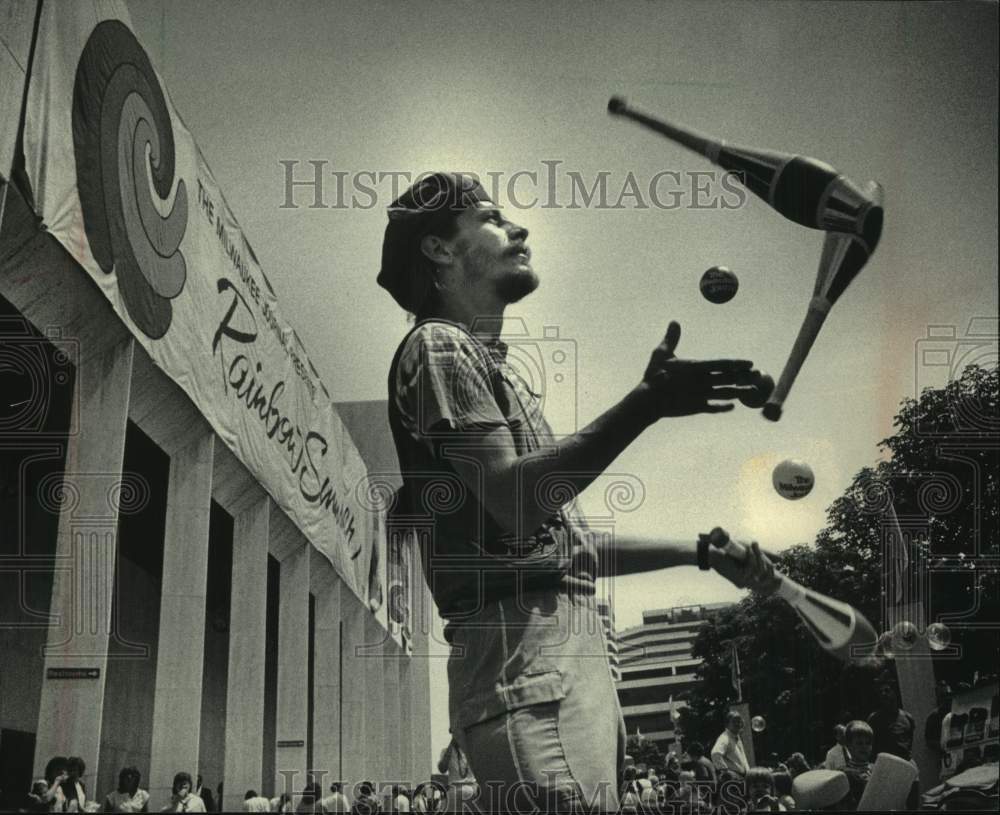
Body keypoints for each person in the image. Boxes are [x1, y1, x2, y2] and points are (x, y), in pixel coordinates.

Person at [379, 173, 777, 814]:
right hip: (523, 657)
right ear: (439, 250)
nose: (519, 229)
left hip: (558, 658)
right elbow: (514, 499)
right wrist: (644, 406)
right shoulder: (439, 346)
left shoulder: (485, 366)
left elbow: (569, 546)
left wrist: (702, 551)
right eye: (491, 217)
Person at [867, 676, 915, 761]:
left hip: (905, 764)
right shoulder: (874, 719)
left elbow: (909, 743)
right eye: (880, 692)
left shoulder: (908, 718)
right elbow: (871, 747)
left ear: (894, 692)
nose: (884, 694)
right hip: (886, 765)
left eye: (887, 690)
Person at [924, 680, 953, 782]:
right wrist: (944, 745)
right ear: (938, 697)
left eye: (948, 694)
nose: (947, 698)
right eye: (943, 695)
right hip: (945, 758)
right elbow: (929, 741)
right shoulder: (934, 717)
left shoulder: (958, 710)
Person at [841, 719, 874, 805]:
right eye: (859, 743)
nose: (864, 747)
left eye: (868, 743)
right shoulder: (844, 774)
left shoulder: (876, 769)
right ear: (849, 746)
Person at [711, 711, 751, 779]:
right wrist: (726, 772)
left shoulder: (735, 737)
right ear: (727, 724)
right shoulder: (725, 738)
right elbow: (715, 754)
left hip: (742, 778)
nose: (737, 724)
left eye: (739, 721)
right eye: (734, 721)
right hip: (734, 779)